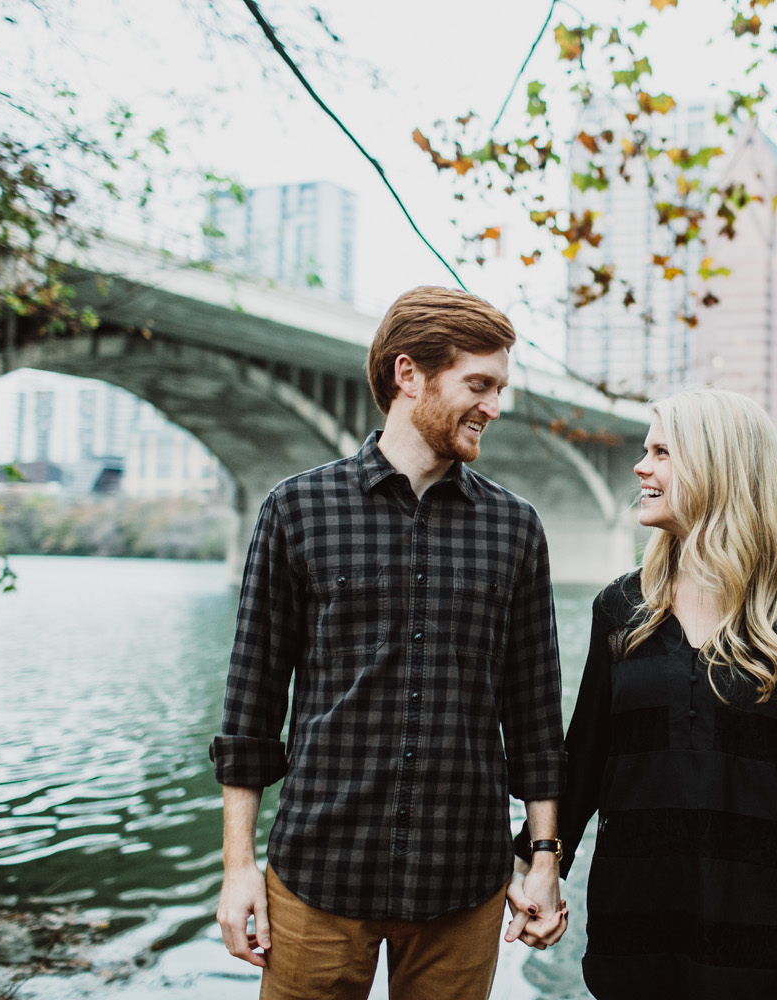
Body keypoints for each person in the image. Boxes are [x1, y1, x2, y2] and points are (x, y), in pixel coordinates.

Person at [211, 286, 567, 1000]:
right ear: (410, 374)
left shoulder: (515, 527)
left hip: (464, 882)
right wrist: (239, 868)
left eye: (500, 388)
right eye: (480, 385)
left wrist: (544, 859)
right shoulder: (296, 508)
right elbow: (251, 706)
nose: (495, 407)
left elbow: (534, 716)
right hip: (318, 875)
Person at [515, 387, 777, 999]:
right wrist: (538, 869)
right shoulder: (621, 607)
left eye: (661, 451)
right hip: (633, 932)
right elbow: (586, 760)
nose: (640, 466)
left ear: (717, 467)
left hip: (763, 943)